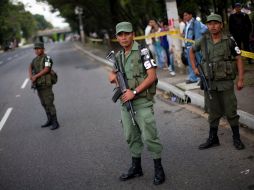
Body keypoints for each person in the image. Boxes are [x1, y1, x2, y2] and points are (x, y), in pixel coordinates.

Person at [108, 22, 165, 185]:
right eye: (120, 35)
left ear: (132, 34)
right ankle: (136, 167)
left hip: (141, 102)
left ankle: (159, 168)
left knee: (150, 136)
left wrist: (134, 92)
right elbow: (112, 74)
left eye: (126, 34)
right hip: (125, 103)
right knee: (130, 136)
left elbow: (152, 76)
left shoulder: (143, 52)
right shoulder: (118, 56)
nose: (123, 37)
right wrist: (112, 77)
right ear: (117, 37)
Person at [189, 14, 245, 150]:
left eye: (216, 23)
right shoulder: (203, 40)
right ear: (207, 25)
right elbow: (191, 51)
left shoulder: (229, 41)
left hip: (225, 83)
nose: (213, 26)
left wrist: (241, 79)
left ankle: (236, 138)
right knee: (213, 112)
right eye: (210, 23)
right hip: (210, 83)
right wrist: (195, 68)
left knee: (231, 111)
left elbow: (238, 58)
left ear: (221, 25)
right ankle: (213, 138)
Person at [29, 42, 59, 130]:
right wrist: (31, 76)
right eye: (35, 49)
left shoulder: (47, 58)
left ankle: (55, 122)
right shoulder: (35, 60)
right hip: (39, 85)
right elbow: (30, 66)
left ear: (43, 49)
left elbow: (47, 69)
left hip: (46, 85)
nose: (37, 50)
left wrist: (35, 76)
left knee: (49, 103)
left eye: (38, 49)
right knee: (43, 103)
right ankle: (49, 120)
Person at [183, 10, 207, 84]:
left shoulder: (196, 23)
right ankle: (193, 78)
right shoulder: (187, 24)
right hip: (188, 46)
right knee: (191, 63)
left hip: (194, 46)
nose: (185, 17)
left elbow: (205, 29)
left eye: (186, 15)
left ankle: (202, 78)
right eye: (184, 15)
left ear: (191, 15)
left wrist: (198, 42)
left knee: (199, 62)